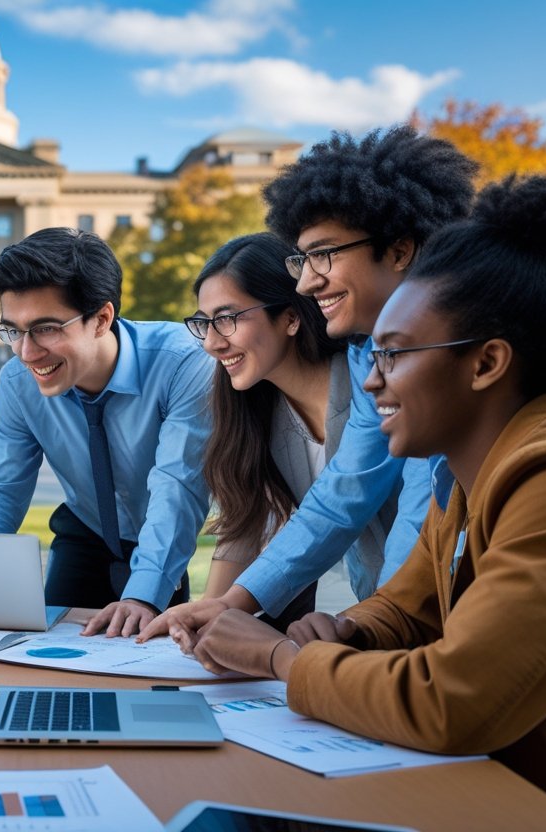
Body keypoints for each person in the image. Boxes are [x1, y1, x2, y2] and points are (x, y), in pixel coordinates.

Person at [174, 175, 546, 802]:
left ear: (487, 363)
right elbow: (407, 605)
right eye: (374, 357)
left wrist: (280, 658)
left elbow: (449, 702)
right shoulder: (463, 481)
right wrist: (346, 629)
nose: (374, 383)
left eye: (396, 355)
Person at [139, 125, 477, 642]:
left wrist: (374, 630)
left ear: (399, 251)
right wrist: (229, 603)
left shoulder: (448, 354)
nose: (305, 282)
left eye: (324, 254)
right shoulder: (370, 356)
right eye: (302, 259)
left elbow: (418, 516)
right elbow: (342, 494)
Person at [0, 227, 213, 637]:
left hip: (160, 531)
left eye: (46, 328)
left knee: (149, 650)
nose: (26, 352)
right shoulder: (17, 382)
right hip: (84, 530)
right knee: (45, 653)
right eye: (13, 331)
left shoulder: (184, 362)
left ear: (101, 319)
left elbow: (178, 487)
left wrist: (144, 596)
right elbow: (0, 488)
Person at [186, 233, 394, 628]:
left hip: (433, 602)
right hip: (378, 613)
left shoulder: (373, 387)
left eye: (227, 319)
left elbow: (341, 506)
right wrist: (206, 613)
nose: (212, 343)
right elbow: (245, 526)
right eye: (204, 323)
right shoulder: (260, 417)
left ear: (291, 318)